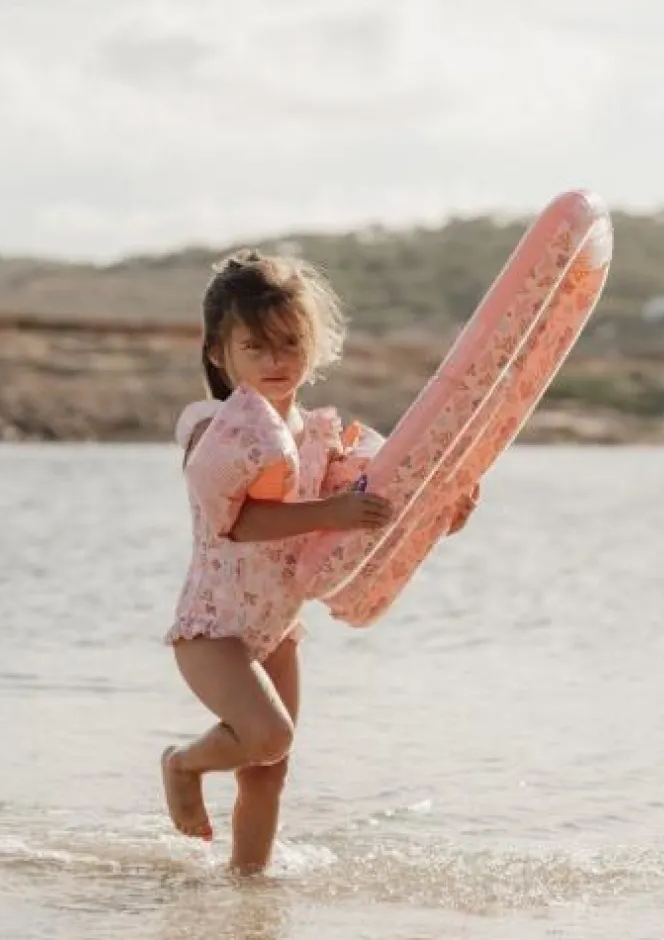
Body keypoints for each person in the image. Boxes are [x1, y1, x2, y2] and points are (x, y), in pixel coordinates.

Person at [161, 248, 478, 874]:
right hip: (213, 628)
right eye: (255, 347)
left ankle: (248, 892)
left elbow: (373, 517)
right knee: (268, 734)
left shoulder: (320, 437)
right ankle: (182, 764)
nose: (276, 360)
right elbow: (237, 523)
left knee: (269, 772)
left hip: (279, 629)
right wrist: (329, 511)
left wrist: (443, 513)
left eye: (290, 343)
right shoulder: (213, 427)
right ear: (220, 354)